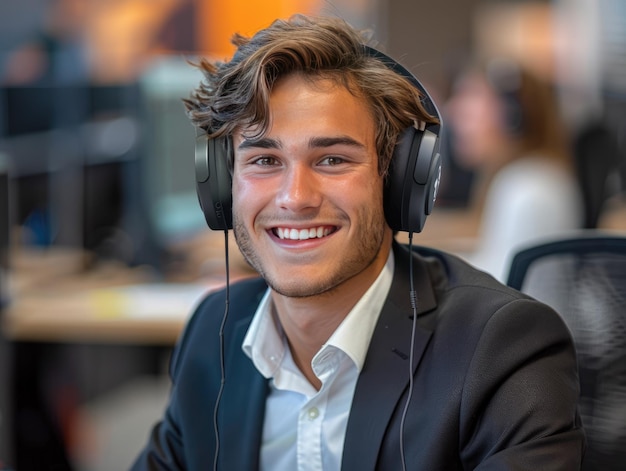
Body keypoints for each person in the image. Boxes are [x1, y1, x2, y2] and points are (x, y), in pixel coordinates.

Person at [131, 14, 584, 470]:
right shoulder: (215, 333)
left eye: (331, 159)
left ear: (399, 182)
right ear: (222, 188)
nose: (295, 199)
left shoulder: (501, 349)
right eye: (265, 159)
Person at [444, 57, 584, 282]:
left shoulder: (528, 191)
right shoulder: (528, 177)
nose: (453, 111)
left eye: (470, 96)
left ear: (512, 116)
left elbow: (503, 291)